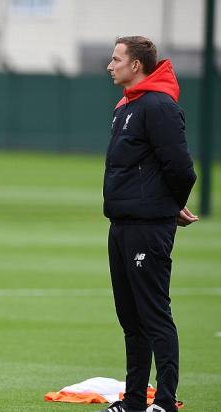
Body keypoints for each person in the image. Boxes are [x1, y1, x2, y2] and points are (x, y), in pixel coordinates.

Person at [98, 36, 197, 412]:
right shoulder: (126, 106)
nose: (110, 65)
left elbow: (181, 169)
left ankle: (166, 402)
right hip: (121, 224)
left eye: (116, 59)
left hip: (148, 226)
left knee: (154, 313)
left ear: (136, 65)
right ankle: (135, 400)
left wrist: (170, 205)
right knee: (130, 318)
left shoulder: (158, 106)